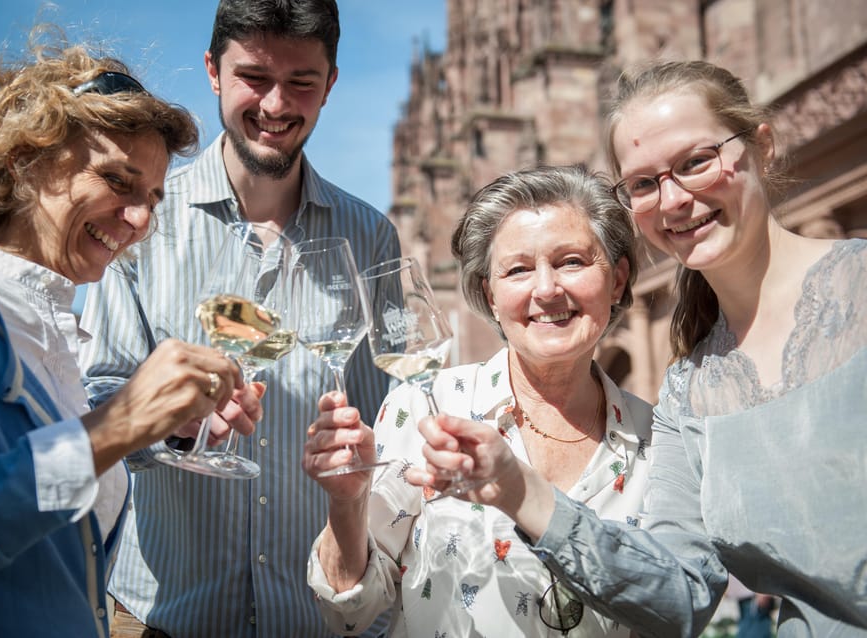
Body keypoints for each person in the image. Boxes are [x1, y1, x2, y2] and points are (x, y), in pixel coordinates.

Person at [409, 60, 867, 637]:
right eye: (645, 184)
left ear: (763, 146)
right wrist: (518, 486)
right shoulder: (687, 391)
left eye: (696, 162)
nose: (674, 200)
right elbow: (680, 595)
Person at [0, 26, 263, 637]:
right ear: (26, 160)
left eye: (152, 196)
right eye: (119, 181)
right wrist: (114, 427)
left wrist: (165, 425)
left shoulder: (59, 340)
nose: (140, 219)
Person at [78, 1, 400, 636]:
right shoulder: (140, 219)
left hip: (319, 621)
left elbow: (393, 414)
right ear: (212, 72)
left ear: (330, 84)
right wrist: (170, 422)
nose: (276, 106)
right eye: (254, 77)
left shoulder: (371, 237)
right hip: (160, 621)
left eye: (301, 82)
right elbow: (98, 392)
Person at [302, 164, 653, 636]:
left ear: (617, 279)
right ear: (490, 296)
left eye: (571, 261)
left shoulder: (659, 437)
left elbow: (674, 604)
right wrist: (346, 504)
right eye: (518, 269)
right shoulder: (425, 406)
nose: (547, 289)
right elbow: (348, 615)